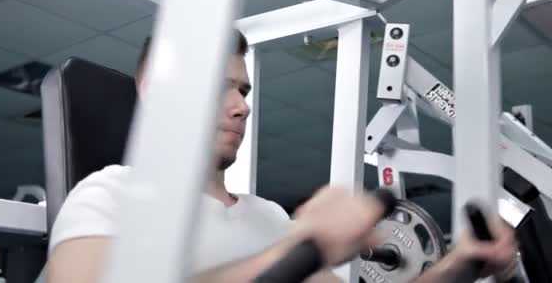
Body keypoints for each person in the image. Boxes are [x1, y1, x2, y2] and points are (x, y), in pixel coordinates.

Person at [47, 31, 517, 283]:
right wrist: (297, 250)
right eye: (221, 87)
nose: (242, 105)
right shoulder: (108, 195)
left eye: (245, 90)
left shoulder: (268, 218)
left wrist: (461, 264)